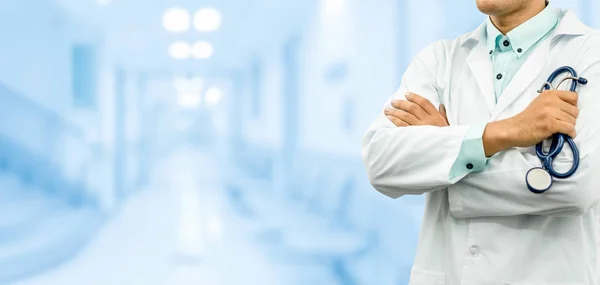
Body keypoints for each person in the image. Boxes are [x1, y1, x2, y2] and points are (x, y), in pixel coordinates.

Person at [361, 0, 600, 284]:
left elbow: (578, 186)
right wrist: (504, 131)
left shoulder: (590, 54)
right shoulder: (439, 60)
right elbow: (381, 161)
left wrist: (448, 155)